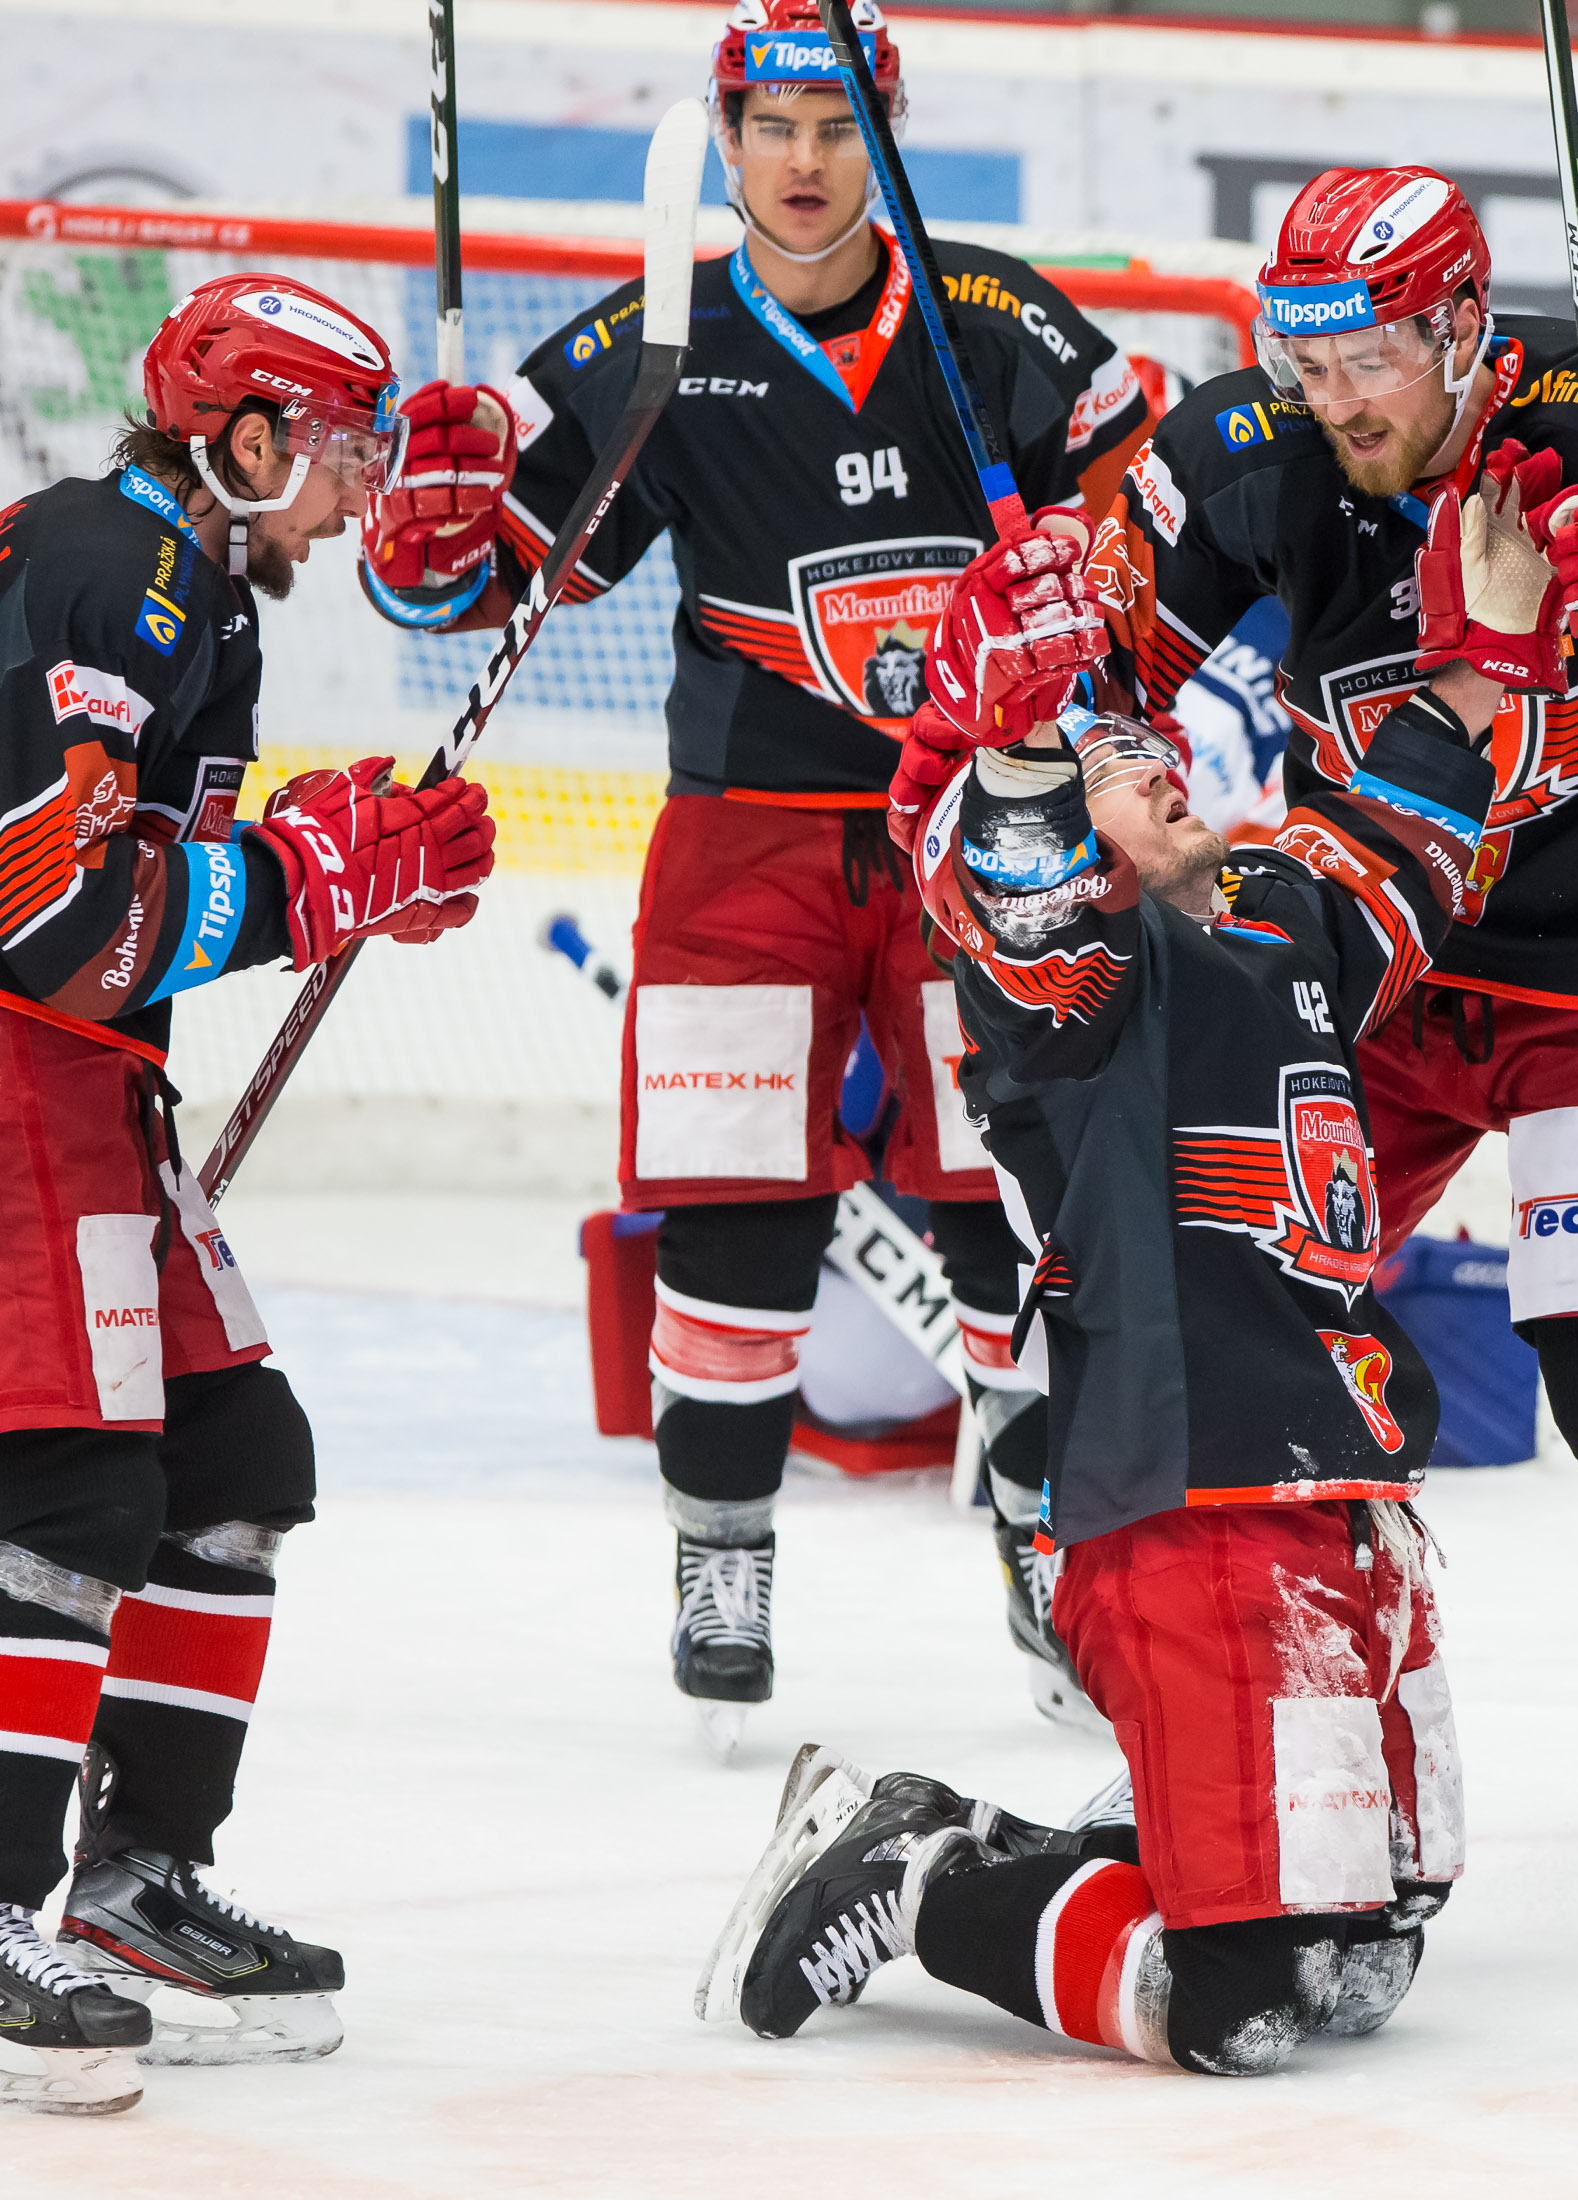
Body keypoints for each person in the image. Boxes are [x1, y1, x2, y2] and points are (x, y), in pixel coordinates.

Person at [1070, 164, 1578, 1965]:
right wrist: (1111, 760)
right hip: (1383, 971)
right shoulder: (1253, 449)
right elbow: (1088, 659)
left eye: (1369, 360)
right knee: (1219, 1314)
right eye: (1306, 358)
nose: (1335, 398)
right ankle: (1209, 1730)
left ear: (1459, 329)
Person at [361, 0, 1148, 1756]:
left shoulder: (992, 316)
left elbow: (1146, 517)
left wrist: (1091, 586)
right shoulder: (658, 337)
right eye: (773, 127)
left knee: (1011, 1203)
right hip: (747, 834)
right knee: (736, 1207)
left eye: (839, 124)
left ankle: (1044, 1541)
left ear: (886, 133)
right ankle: (721, 1557)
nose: (804, 160)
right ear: (724, 142)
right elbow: (480, 582)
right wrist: (431, 527)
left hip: (985, 816)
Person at [701, 625, 1500, 2071]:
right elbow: (1026, 899)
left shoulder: (1275, 920)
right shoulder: (1068, 986)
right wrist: (1017, 745)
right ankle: (912, 1864)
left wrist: (1486, 652)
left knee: (1366, 1967)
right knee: (1238, 2007)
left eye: (1146, 748)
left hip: (1348, 1486)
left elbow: (1397, 847)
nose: (1153, 763)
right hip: (1196, 1503)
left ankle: (1148, 1827)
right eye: (1107, 769)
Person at [0, 274, 496, 2113]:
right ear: (252, 438)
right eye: (345, 451)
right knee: (71, 1485)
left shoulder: (190, 587)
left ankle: (133, 1885)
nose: (365, 494)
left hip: (85, 1079)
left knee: (233, 1460)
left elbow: (142, 895)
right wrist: (307, 880)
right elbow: (56, 924)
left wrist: (337, 872)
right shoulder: (107, 571)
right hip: (16, 1071)